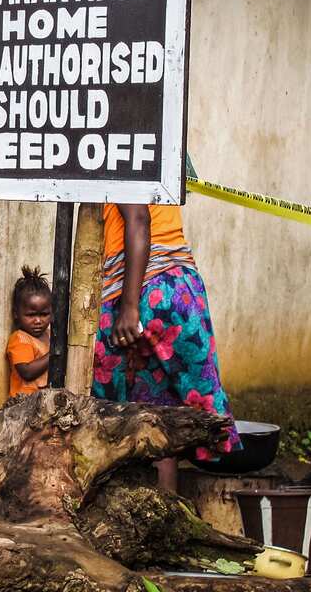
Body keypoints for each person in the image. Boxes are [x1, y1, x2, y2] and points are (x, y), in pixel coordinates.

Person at [92, 203, 239, 494]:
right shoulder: (168, 162)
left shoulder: (129, 156)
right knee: (159, 420)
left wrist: (130, 307)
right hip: (178, 288)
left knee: (107, 412)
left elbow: (138, 218)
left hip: (146, 288)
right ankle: (162, 517)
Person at [6, 266, 52, 397]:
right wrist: (55, 353)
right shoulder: (20, 339)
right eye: (31, 315)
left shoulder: (49, 335)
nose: (38, 321)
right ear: (16, 314)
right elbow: (27, 372)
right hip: (23, 406)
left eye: (44, 314)